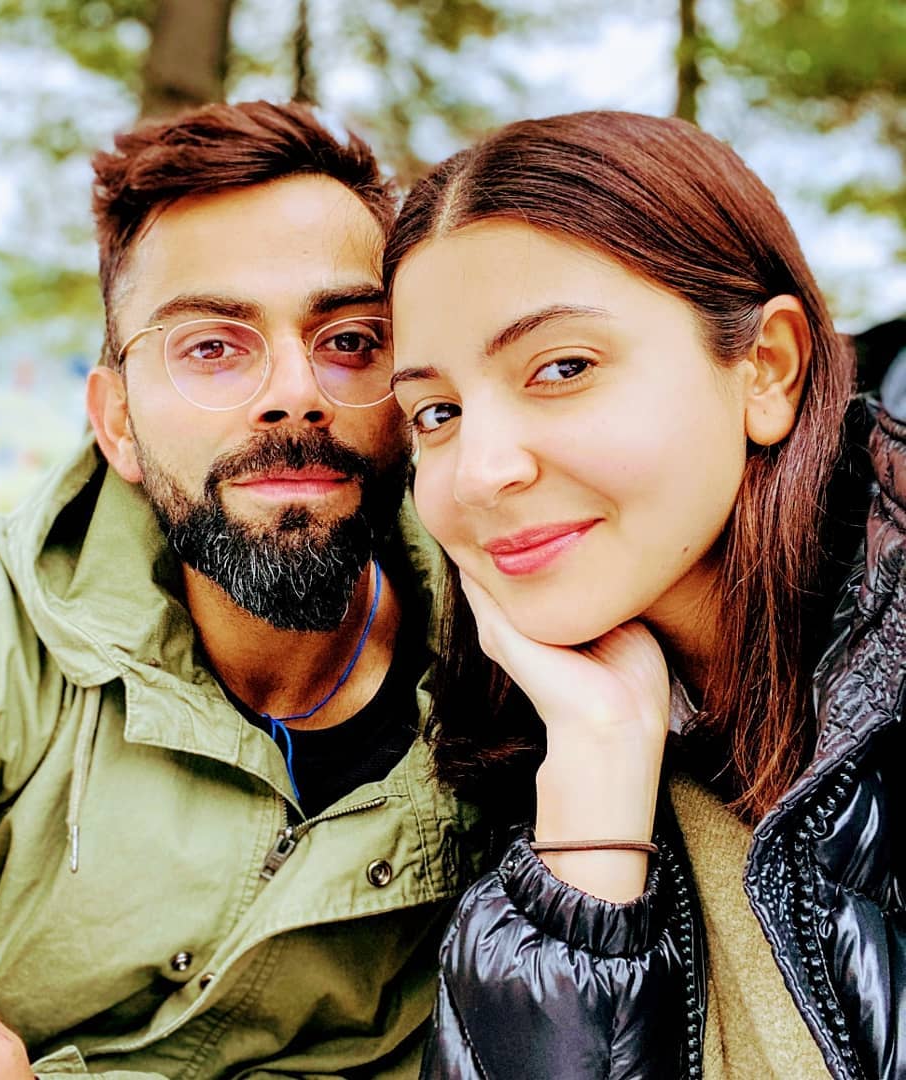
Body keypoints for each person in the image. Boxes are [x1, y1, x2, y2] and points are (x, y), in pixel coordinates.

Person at [0, 101, 481, 1079]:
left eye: (350, 340)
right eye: (212, 346)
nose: (295, 393)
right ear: (118, 424)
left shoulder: (502, 660)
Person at [382, 111, 904, 1079]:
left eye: (562, 367)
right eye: (437, 412)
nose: (482, 471)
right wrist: (594, 780)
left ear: (767, 369)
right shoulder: (512, 757)